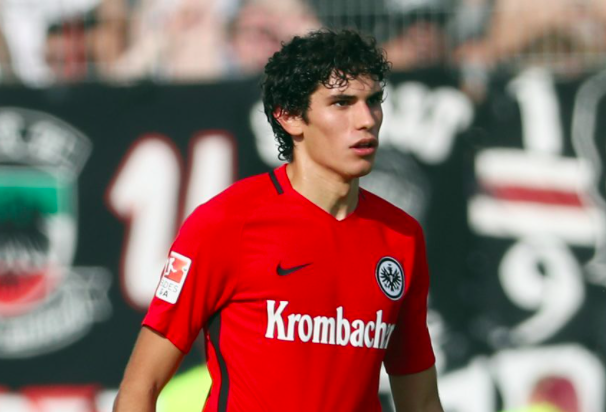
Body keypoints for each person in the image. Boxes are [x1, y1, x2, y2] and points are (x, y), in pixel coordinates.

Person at [113, 29, 443, 412]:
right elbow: (140, 387)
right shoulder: (225, 223)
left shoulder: (401, 236)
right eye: (342, 103)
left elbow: (420, 401)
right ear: (289, 116)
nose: (366, 119)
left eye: (372, 101)